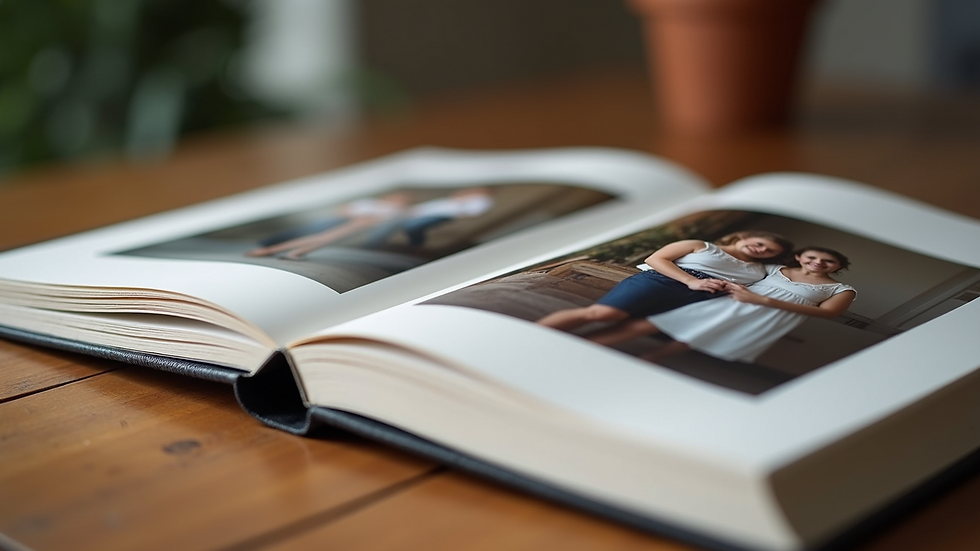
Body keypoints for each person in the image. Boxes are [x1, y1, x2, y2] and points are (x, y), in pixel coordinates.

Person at [590, 247, 856, 364]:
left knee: (691, 340)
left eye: (828, 262)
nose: (818, 263)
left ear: (839, 267)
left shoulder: (839, 289)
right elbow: (739, 271)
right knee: (657, 323)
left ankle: (648, 361)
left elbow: (828, 313)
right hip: (729, 303)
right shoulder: (774, 268)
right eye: (812, 257)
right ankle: (595, 344)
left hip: (766, 317)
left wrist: (762, 300)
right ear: (801, 256)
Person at [536, 231, 793, 332]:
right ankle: (534, 333)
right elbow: (656, 259)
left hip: (705, 297)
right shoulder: (700, 245)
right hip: (665, 280)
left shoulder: (761, 270)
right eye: (758, 243)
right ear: (745, 237)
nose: (760, 250)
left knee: (635, 329)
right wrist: (691, 281)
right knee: (604, 313)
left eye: (768, 250)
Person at [245, 191, 414, 259]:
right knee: (319, 238)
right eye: (399, 198)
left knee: (323, 240)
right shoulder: (372, 204)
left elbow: (395, 221)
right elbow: (344, 211)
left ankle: (295, 252)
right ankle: (271, 250)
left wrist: (375, 220)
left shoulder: (398, 212)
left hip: (362, 229)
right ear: (389, 197)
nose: (401, 201)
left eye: (404, 200)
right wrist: (365, 216)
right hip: (354, 224)